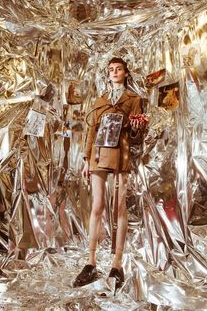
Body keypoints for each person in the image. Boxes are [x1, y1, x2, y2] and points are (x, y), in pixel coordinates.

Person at [73, 57, 144, 290]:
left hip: (121, 156)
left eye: (119, 69)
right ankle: (91, 261)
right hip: (97, 155)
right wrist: (85, 159)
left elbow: (138, 138)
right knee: (97, 206)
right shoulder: (99, 101)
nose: (114, 72)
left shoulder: (134, 100)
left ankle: (117, 263)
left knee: (120, 208)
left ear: (125, 73)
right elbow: (90, 132)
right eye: (111, 70)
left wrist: (136, 129)